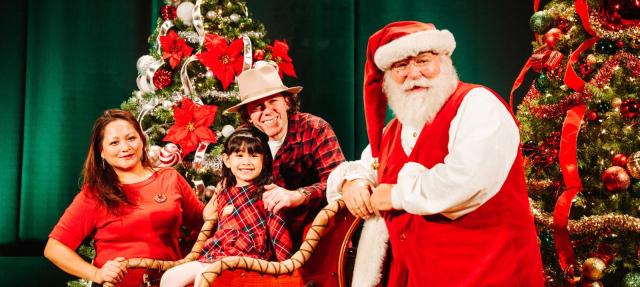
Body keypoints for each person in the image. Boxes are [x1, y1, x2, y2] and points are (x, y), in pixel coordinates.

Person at [326, 21, 544, 286]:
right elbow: (368, 165)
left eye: (423, 61)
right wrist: (353, 182)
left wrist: (394, 194)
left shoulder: (478, 105)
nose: (413, 73)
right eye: (400, 66)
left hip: (487, 273)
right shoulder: (393, 130)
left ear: (444, 61)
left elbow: (463, 181)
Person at [44, 109, 204, 287]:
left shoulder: (170, 178)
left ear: (142, 141)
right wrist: (97, 273)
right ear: (101, 152)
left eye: (131, 138)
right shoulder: (94, 194)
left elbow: (205, 225)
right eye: (114, 142)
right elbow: (54, 248)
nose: (125, 147)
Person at [224, 65, 345, 247]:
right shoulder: (243, 140)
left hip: (311, 224)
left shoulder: (315, 129)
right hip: (258, 227)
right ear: (248, 115)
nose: (267, 111)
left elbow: (338, 182)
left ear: (287, 102)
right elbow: (229, 184)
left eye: (273, 101)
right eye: (257, 107)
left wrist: (299, 195)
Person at [160, 127, 293, 287]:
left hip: (247, 260)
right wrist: (219, 190)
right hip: (217, 256)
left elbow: (278, 231)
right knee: (169, 277)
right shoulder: (224, 193)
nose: (246, 162)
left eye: (253, 156)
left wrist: (286, 268)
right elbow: (207, 216)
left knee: (206, 276)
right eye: (239, 155)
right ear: (227, 160)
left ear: (264, 161)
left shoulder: (267, 193)